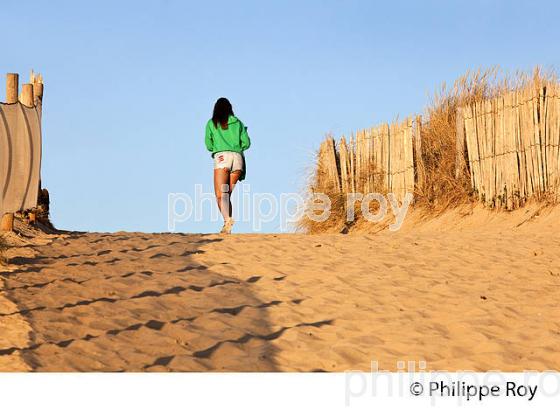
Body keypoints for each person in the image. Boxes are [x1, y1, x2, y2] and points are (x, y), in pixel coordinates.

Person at [205, 98, 251, 234]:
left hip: (222, 158)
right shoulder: (239, 123)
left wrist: (219, 146)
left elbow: (208, 144)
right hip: (237, 159)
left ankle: (227, 220)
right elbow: (246, 143)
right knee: (226, 195)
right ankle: (227, 228)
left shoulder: (211, 123)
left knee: (220, 195)